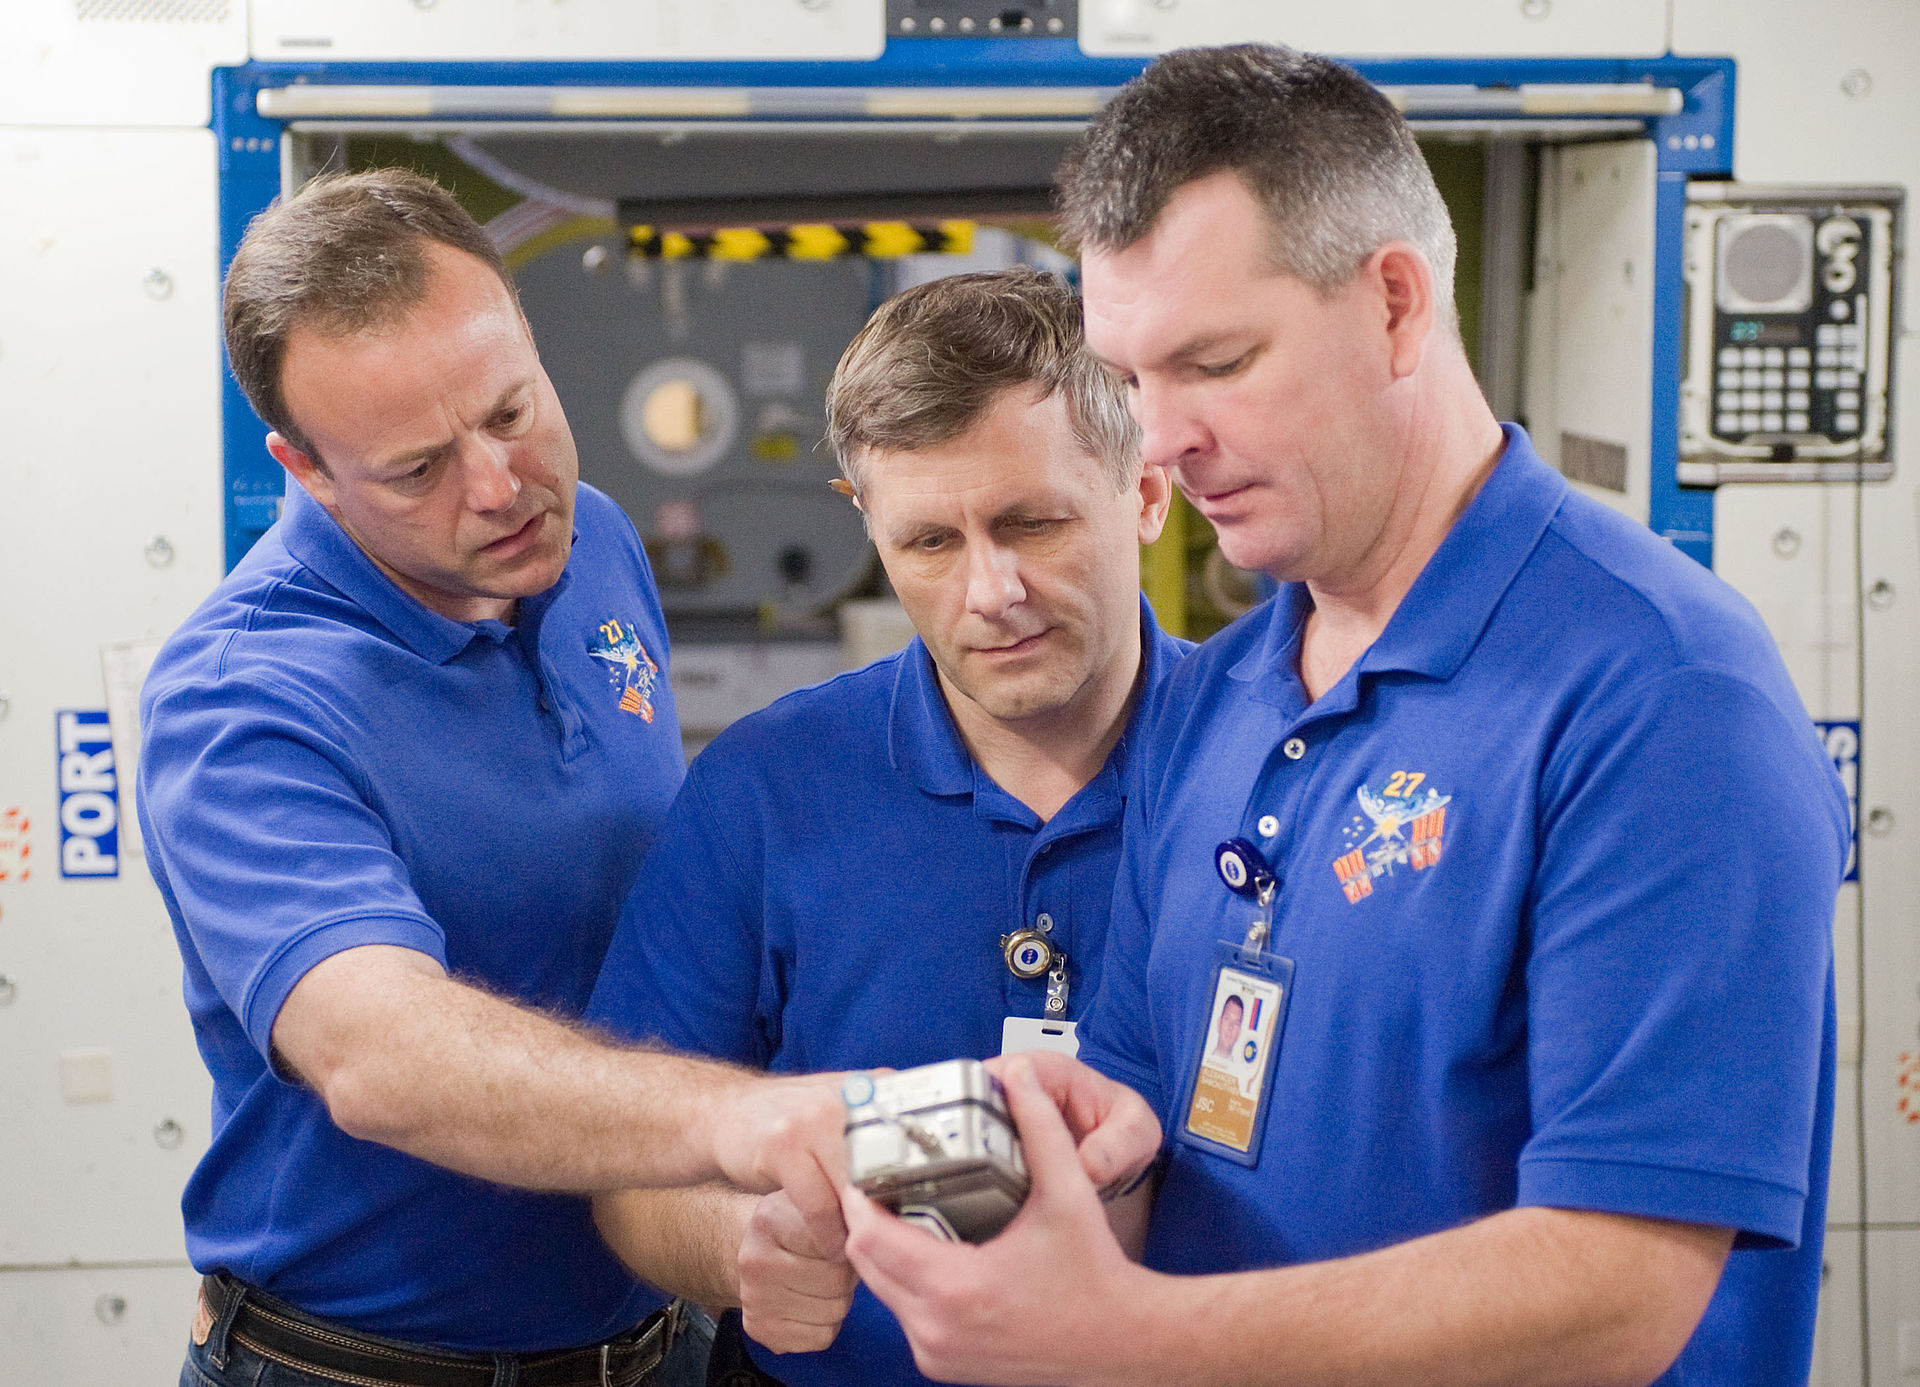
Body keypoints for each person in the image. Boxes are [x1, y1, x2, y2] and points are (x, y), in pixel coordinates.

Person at [842, 44, 1848, 1387]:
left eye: (1217, 362)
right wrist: (1062, 1165)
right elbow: (1153, 1082)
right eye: (1133, 379)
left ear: (1393, 305)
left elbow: (1621, 1283)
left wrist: (1119, 1334)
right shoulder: (1227, 695)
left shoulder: (1660, 694)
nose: (1165, 438)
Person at [139, 168, 860, 1387]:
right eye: (417, 469)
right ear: (305, 470)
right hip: (363, 1366)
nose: (499, 486)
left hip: (653, 1345)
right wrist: (745, 1118)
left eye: (512, 411)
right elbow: (382, 1053)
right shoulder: (241, 698)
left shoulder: (594, 546)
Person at [582, 267, 1181, 1387]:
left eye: (1032, 523)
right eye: (929, 544)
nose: (990, 591)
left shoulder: (1272, 767)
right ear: (865, 523)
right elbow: (633, 1165)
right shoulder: (765, 790)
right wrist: (743, 1247)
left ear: (1145, 489)